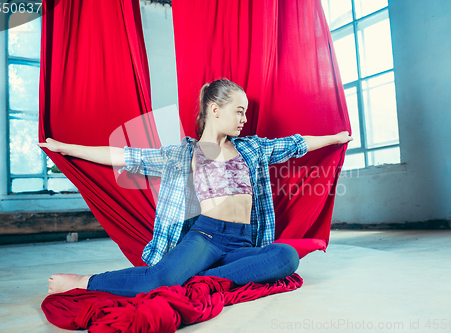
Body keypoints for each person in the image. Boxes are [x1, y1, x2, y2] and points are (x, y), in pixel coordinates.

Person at [38, 78, 353, 297]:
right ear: (215, 110)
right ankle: (84, 281)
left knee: (286, 257)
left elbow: (296, 144)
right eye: (239, 110)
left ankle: (192, 280)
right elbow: (124, 156)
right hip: (207, 238)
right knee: (159, 279)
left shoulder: (251, 148)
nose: (245, 118)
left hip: (242, 243)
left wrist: (336, 139)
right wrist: (65, 148)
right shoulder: (184, 154)